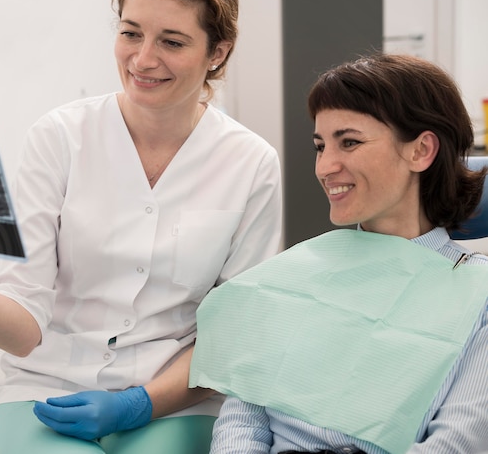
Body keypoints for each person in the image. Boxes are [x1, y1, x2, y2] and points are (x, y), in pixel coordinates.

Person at [0, 0, 282, 453]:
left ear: (217, 52)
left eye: (172, 42)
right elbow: (25, 324)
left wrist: (138, 404)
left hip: (174, 397)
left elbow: (234, 335)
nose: (142, 59)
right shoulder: (60, 138)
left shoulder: (250, 163)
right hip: (48, 390)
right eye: (131, 32)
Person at [189, 53, 488, 454]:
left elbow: (456, 443)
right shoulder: (292, 277)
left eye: (349, 142)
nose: (324, 167)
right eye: (320, 146)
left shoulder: (477, 294)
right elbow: (242, 419)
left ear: (420, 151)